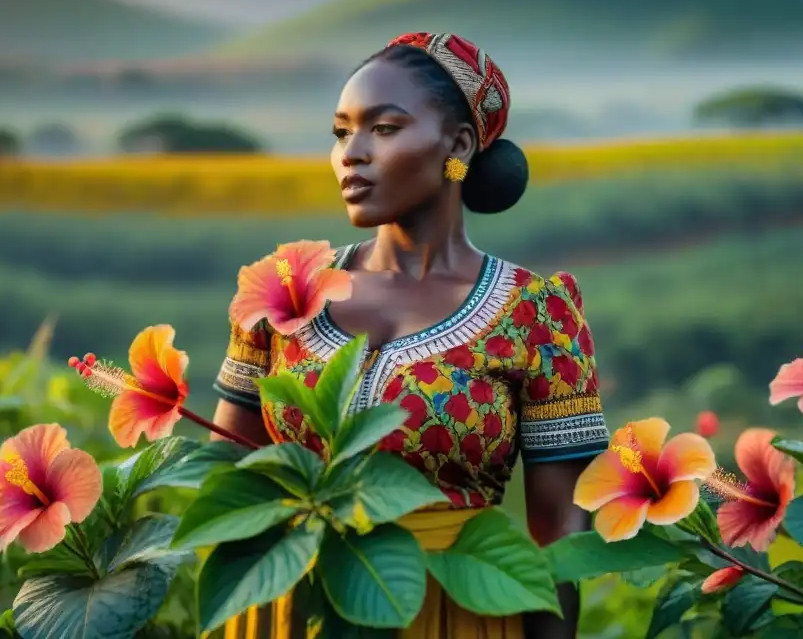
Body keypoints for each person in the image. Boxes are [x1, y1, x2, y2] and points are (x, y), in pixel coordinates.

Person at [211, 32, 610, 639]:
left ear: (459, 146)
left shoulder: (538, 315)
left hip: (452, 610)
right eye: (342, 132)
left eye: (385, 128)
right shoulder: (282, 292)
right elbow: (228, 480)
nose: (352, 153)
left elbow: (558, 539)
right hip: (286, 608)